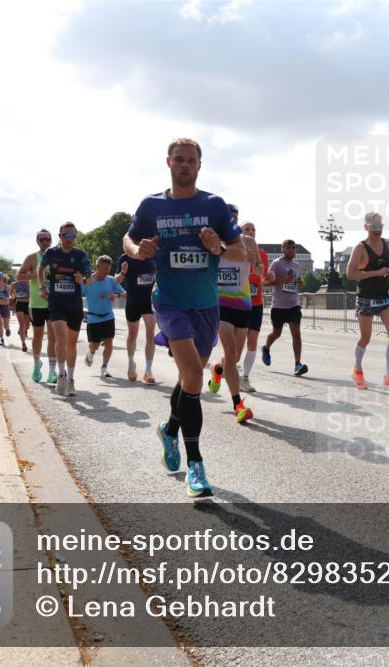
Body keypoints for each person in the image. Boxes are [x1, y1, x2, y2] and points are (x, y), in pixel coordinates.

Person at [122, 137, 245, 498]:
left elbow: (239, 253)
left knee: (189, 382)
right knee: (193, 374)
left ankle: (169, 427)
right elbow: (128, 240)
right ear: (169, 163)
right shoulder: (152, 206)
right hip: (170, 302)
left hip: (207, 304)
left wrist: (217, 248)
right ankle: (196, 465)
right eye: (179, 159)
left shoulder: (215, 206)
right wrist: (138, 249)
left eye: (191, 160)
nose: (185, 165)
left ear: (199, 165)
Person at [206, 206, 259, 423]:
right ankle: (238, 404)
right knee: (229, 350)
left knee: (234, 356)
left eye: (234, 219)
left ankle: (217, 370)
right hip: (221, 304)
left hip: (243, 304)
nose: (231, 223)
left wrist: (255, 262)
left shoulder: (248, 242)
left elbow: (257, 270)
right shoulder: (212, 242)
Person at [346, 211, 389, 392]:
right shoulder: (360, 248)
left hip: (385, 295)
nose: (378, 230)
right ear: (366, 227)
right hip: (366, 298)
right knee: (365, 337)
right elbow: (350, 274)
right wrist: (376, 273)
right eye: (374, 226)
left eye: (380, 226)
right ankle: (357, 369)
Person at [39, 222, 91, 397]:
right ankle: (61, 375)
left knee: (71, 343)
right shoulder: (51, 253)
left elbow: (89, 279)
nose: (69, 239)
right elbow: (41, 269)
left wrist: (81, 281)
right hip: (57, 302)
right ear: (60, 236)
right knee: (60, 337)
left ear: (75, 237)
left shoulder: (81, 255)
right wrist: (41, 287)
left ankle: (70, 379)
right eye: (66, 236)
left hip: (74, 304)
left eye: (72, 236)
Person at [262, 239, 307, 376]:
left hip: (293, 304)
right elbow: (265, 282)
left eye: (293, 248)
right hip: (279, 305)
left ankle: (297, 364)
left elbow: (299, 283)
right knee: (276, 333)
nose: (291, 250)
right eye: (288, 248)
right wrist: (283, 281)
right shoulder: (276, 264)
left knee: (296, 334)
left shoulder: (297, 265)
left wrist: (300, 282)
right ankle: (266, 348)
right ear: (283, 249)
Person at [17, 230, 58, 383]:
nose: (45, 242)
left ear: (51, 240)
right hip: (36, 303)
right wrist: (33, 276)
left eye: (47, 239)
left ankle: (52, 372)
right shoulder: (32, 258)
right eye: (42, 239)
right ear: (37, 241)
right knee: (38, 336)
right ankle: (36, 365)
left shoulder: (57, 256)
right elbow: (19, 276)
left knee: (53, 337)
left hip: (54, 302)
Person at [115, 249, 157, 383]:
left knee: (150, 334)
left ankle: (148, 370)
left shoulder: (153, 255)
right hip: (133, 300)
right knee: (133, 334)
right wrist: (123, 272)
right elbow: (117, 280)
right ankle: (131, 363)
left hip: (149, 301)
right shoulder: (126, 257)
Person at [83, 255, 126, 378]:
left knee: (109, 342)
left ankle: (104, 368)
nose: (106, 272)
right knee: (94, 345)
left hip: (108, 316)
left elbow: (124, 293)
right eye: (103, 269)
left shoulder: (111, 280)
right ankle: (91, 353)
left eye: (108, 269)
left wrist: (116, 296)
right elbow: (77, 293)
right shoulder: (89, 281)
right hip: (93, 318)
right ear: (97, 267)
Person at [239, 220, 268, 392]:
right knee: (235, 345)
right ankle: (221, 369)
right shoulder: (232, 251)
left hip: (256, 302)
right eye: (247, 229)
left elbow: (261, 273)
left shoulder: (262, 253)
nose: (251, 232)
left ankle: (245, 377)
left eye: (253, 229)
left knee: (252, 342)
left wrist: (266, 274)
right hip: (238, 302)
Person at [10, 276, 31, 352]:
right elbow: (10, 294)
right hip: (19, 304)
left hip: (28, 305)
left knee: (27, 326)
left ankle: (22, 330)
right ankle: (23, 344)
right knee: (21, 324)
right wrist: (12, 298)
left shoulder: (29, 282)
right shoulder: (14, 284)